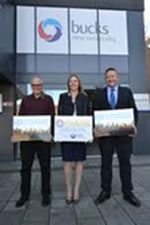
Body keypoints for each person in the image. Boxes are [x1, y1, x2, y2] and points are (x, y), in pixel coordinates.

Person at [93, 67, 141, 207]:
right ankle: (105, 191)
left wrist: (133, 126)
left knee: (125, 164)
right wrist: (95, 128)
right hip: (106, 137)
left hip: (124, 136)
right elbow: (94, 112)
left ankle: (128, 192)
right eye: (108, 77)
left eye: (113, 76)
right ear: (105, 79)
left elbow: (134, 111)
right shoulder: (99, 94)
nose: (111, 79)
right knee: (105, 164)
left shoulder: (126, 92)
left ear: (117, 77)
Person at [15, 77, 55, 207]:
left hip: (43, 141)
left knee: (45, 168)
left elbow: (52, 119)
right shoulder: (25, 100)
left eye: (38, 85)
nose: (36, 87)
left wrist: (52, 135)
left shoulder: (48, 99)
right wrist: (17, 133)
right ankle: (24, 195)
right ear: (31, 86)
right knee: (25, 168)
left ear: (42, 86)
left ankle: (46, 194)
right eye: (34, 85)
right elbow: (20, 119)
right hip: (27, 141)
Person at [58, 74, 89, 204]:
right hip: (66, 133)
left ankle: (76, 191)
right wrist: (58, 133)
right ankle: (69, 191)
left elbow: (88, 114)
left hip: (81, 133)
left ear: (79, 83)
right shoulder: (63, 97)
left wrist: (89, 133)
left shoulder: (84, 97)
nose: (73, 83)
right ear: (68, 84)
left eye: (75, 81)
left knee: (79, 161)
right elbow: (59, 114)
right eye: (71, 81)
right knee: (67, 162)